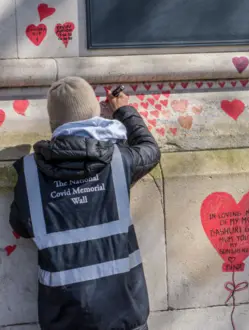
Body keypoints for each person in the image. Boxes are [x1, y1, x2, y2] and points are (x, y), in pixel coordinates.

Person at [9, 76, 160, 330]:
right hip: (125, 313)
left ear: (53, 122)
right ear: (94, 114)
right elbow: (150, 150)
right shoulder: (117, 160)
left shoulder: (31, 173)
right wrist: (123, 110)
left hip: (66, 319)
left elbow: (20, 224)